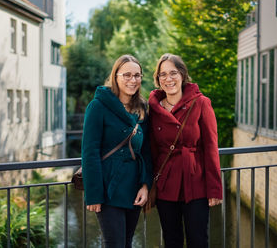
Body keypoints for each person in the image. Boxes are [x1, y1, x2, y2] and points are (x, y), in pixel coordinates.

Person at [148, 53, 223, 248]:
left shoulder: (200, 103)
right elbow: (152, 151)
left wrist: (214, 188)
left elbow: (210, 148)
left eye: (173, 73)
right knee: (172, 241)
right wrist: (148, 183)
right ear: (158, 79)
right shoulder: (153, 108)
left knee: (198, 241)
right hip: (166, 185)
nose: (168, 78)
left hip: (196, 183)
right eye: (162, 74)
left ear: (182, 75)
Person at [81, 54, 152, 248]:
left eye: (137, 75)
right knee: (114, 243)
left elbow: (145, 150)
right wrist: (94, 194)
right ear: (116, 76)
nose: (133, 80)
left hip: (134, 187)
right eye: (127, 75)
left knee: (127, 242)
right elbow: (90, 152)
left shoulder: (142, 108)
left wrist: (145, 185)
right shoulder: (98, 106)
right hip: (108, 187)